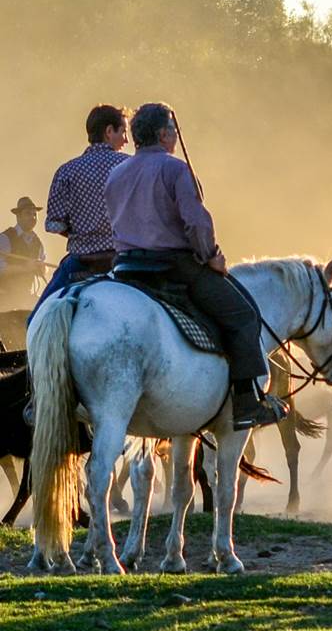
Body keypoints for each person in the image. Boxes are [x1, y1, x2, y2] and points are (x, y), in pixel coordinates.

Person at [105, 102, 286, 429]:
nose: (175, 136)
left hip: (126, 269)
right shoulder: (176, 170)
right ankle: (247, 402)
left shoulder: (115, 174)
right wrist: (211, 256)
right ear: (163, 134)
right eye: (173, 130)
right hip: (173, 266)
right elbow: (197, 225)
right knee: (245, 316)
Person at [35, 104, 130, 313]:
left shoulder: (66, 171)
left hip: (82, 262)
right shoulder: (130, 166)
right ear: (108, 131)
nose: (127, 140)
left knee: (36, 319)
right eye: (123, 131)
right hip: (126, 260)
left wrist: (83, 233)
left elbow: (54, 224)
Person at [0, 197, 47, 311]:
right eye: (28, 214)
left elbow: (44, 268)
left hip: (25, 296)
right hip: (4, 297)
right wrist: (26, 268)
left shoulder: (38, 243)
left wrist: (42, 269)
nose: (33, 217)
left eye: (34, 214)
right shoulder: (5, 238)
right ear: (18, 216)